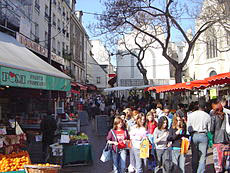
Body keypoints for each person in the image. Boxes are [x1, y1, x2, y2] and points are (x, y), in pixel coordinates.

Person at [187, 99, 211, 173]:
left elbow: (188, 128)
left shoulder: (191, 115)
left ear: (197, 106)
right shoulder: (207, 116)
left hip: (194, 135)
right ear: (205, 107)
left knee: (194, 155)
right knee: (203, 156)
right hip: (203, 135)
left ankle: (194, 170)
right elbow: (209, 128)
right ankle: (200, 171)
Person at [210, 101, 230, 173]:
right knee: (227, 161)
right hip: (227, 140)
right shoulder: (227, 115)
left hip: (217, 141)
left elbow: (211, 130)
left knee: (218, 162)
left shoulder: (214, 117)